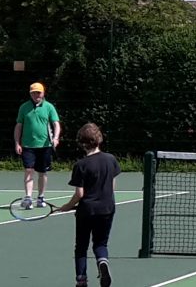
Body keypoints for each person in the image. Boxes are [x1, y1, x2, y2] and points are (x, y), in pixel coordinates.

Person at [55, 123, 119, 287]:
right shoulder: (111, 159)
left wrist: (68, 206)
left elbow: (80, 194)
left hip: (87, 211)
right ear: (99, 139)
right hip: (107, 208)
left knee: (81, 247)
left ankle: (81, 280)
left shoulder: (81, 165)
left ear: (82, 143)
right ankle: (102, 262)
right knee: (101, 243)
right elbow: (112, 187)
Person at [15, 82, 62, 210]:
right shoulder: (24, 107)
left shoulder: (49, 107)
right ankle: (28, 198)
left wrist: (56, 138)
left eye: (39, 92)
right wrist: (17, 142)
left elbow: (56, 124)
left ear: (43, 93)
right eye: (34, 92)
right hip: (28, 145)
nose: (37, 95)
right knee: (29, 170)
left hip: (45, 146)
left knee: (42, 172)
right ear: (30, 94)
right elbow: (19, 126)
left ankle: (41, 197)